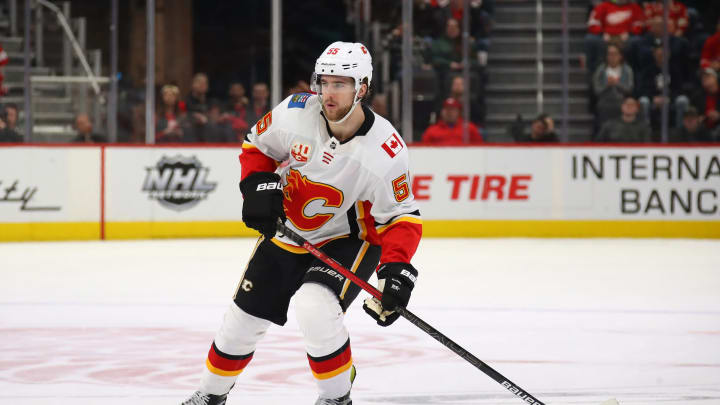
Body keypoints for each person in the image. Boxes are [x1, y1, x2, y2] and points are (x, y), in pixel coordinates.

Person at [181, 41, 423, 405]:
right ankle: (210, 395)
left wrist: (396, 269)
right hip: (288, 233)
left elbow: (400, 217)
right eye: (323, 82)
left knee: (314, 307)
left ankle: (336, 397)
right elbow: (256, 147)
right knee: (241, 321)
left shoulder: (386, 150)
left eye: (340, 84)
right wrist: (258, 188)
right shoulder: (296, 112)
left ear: (362, 88)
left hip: (347, 239)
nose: (328, 93)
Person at [593, 43, 634, 125]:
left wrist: (616, 83)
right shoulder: (601, 70)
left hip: (621, 102)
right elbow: (596, 90)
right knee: (603, 107)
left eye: (615, 54)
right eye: (610, 54)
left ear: (620, 56)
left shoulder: (627, 70)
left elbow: (629, 89)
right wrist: (607, 85)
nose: (612, 57)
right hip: (604, 102)